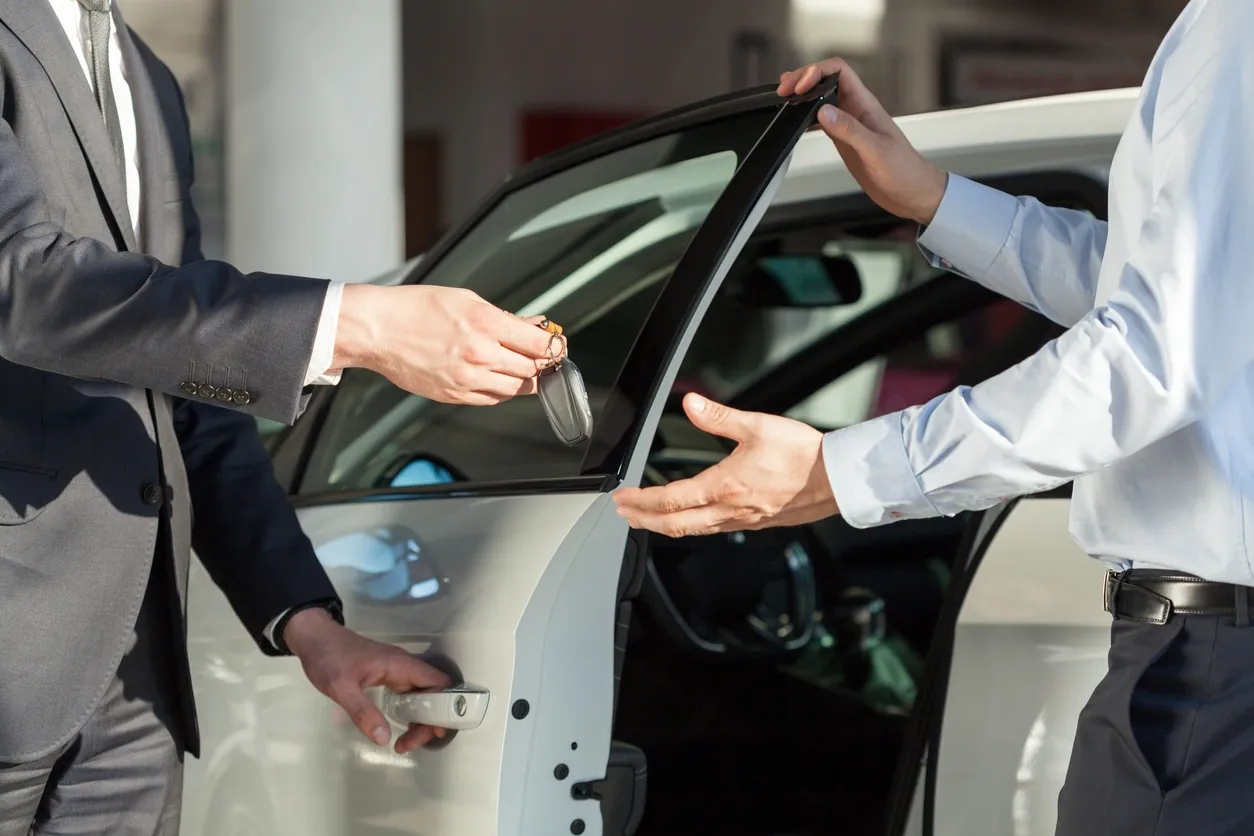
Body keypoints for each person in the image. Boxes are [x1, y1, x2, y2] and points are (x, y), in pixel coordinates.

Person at [615, 0, 1254, 832]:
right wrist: (935, 198)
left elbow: (1153, 350)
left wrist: (843, 473)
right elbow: (1179, 297)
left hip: (1211, 668)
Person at [0, 1, 561, 834]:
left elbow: (176, 384)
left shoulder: (147, 76)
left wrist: (304, 621)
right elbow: (24, 286)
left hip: (138, 695)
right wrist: (352, 324)